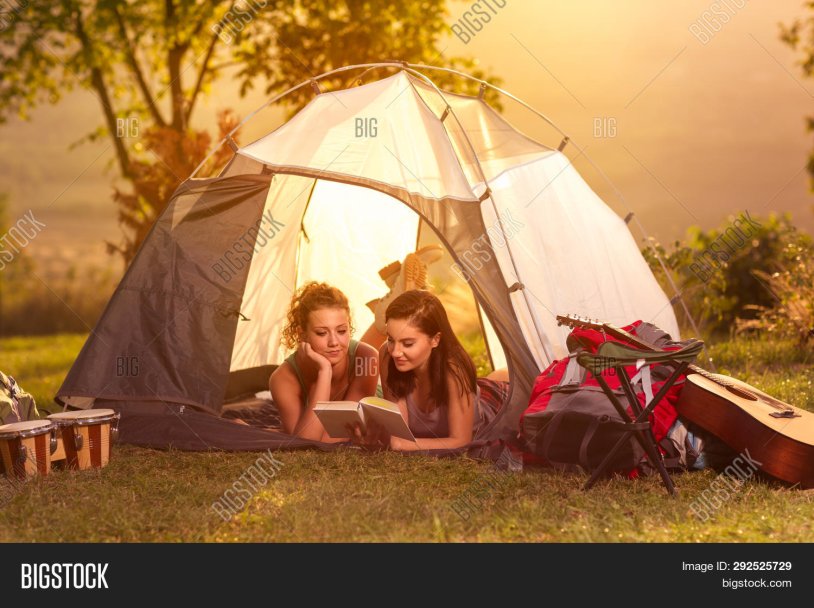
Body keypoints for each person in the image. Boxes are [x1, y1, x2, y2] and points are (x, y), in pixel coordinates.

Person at [350, 290, 505, 451]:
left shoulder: (454, 370)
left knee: (505, 379)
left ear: (435, 340)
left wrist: (401, 444)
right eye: (390, 339)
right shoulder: (387, 355)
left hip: (491, 403)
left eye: (408, 343)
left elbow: (462, 441)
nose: (395, 351)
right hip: (467, 393)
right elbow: (398, 432)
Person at [269, 281, 379, 441]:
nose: (334, 342)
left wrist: (296, 433)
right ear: (302, 334)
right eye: (321, 333)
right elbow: (303, 442)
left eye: (341, 331)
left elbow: (336, 431)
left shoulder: (367, 359)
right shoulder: (282, 379)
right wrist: (324, 372)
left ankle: (384, 317)